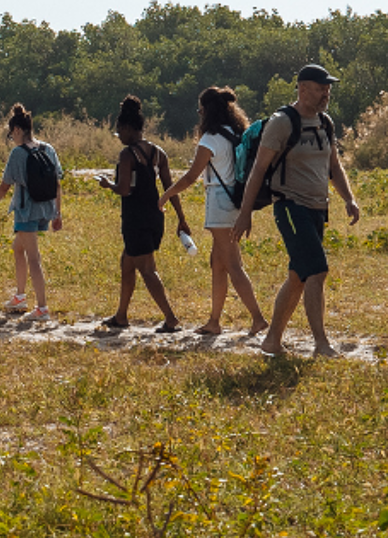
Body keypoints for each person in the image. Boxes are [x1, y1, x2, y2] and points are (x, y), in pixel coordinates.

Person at [234, 64, 361, 358]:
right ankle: (321, 344)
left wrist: (349, 198)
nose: (325, 93)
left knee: (298, 276)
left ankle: (272, 341)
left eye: (327, 89)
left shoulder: (324, 123)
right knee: (317, 270)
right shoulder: (281, 122)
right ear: (303, 89)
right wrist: (245, 212)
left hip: (318, 208)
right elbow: (259, 169)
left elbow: (334, 167)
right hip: (290, 206)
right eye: (320, 88)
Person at [160, 87, 268, 335]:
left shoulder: (210, 138)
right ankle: (214, 322)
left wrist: (167, 194)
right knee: (217, 263)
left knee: (232, 263)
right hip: (234, 199)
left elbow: (190, 177)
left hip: (220, 201)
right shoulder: (235, 133)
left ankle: (258, 318)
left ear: (207, 111)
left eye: (200, 110)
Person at [95, 95, 188, 331]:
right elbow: (171, 189)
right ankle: (121, 316)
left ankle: (171, 318)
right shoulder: (159, 153)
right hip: (156, 216)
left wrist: (108, 185)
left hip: (135, 218)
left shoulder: (127, 155)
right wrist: (181, 218)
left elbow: (124, 190)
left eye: (119, 132)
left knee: (147, 269)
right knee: (127, 262)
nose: (119, 137)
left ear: (127, 128)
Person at [0, 103, 63, 323]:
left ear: (17, 130)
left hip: (26, 211)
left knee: (33, 258)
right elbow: (57, 183)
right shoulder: (48, 148)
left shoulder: (18, 153)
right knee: (18, 248)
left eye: (12, 134)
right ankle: (20, 296)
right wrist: (58, 213)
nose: (12, 139)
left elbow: (5, 185)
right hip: (45, 209)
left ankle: (42, 308)